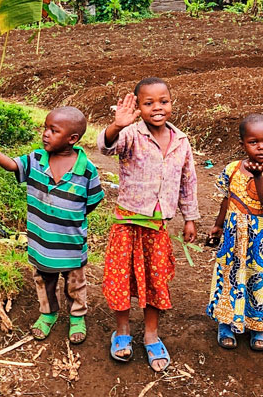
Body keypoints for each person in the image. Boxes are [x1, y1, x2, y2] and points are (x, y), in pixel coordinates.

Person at [0, 106, 103, 345]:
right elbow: (11, 165)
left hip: (71, 244)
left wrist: (70, 216)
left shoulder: (87, 170)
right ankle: (48, 313)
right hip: (42, 242)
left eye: (53, 130)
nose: (45, 133)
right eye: (45, 128)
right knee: (45, 279)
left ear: (72, 139)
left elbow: (93, 200)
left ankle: (77, 316)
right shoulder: (35, 160)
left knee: (75, 282)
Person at [98, 77, 199, 372]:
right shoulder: (131, 134)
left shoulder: (180, 141)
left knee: (156, 280)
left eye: (163, 101)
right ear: (139, 107)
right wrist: (116, 125)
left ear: (171, 103)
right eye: (149, 103)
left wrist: (190, 218)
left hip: (158, 227)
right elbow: (106, 147)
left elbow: (188, 182)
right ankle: (123, 331)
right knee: (121, 278)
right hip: (127, 224)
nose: (157, 108)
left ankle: (151, 334)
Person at [206, 114, 263, 352]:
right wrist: (218, 226)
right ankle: (226, 323)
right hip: (232, 237)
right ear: (243, 144)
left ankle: (258, 326)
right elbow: (227, 199)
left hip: (261, 242)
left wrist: (258, 177)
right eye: (254, 142)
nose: (261, 147)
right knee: (228, 275)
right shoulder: (232, 169)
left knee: (258, 279)